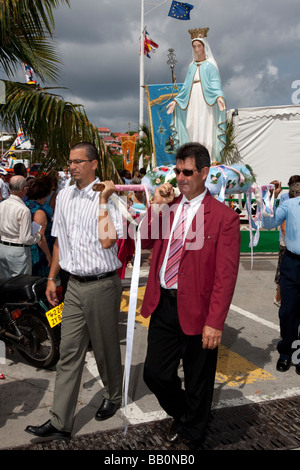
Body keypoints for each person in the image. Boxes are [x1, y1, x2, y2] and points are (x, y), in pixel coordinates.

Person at [139, 142, 240, 449]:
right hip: (163, 305)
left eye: (187, 171)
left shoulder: (224, 217)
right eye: (177, 171)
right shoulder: (168, 208)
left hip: (199, 311)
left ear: (204, 173)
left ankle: (193, 436)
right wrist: (155, 206)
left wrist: (216, 321)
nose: (180, 177)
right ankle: (187, 415)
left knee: (198, 381)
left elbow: (226, 275)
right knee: (155, 373)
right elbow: (145, 242)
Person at [25, 141, 124, 439]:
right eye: (70, 161)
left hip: (103, 284)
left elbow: (108, 242)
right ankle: (60, 420)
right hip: (74, 286)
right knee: (68, 352)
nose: (72, 166)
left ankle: (114, 395)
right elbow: (59, 241)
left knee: (106, 348)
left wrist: (104, 201)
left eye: (79, 161)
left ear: (94, 164)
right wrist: (53, 278)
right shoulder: (63, 196)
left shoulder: (111, 198)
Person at [166, 28, 226, 163]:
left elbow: (216, 83)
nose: (196, 49)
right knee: (190, 125)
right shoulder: (191, 66)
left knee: (206, 124)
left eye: (199, 46)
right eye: (194, 46)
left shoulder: (210, 65)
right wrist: (176, 101)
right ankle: (193, 157)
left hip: (207, 100)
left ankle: (207, 158)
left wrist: (219, 97)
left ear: (204, 47)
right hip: (193, 98)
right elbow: (186, 86)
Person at [262, 181, 300, 375]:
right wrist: (271, 198)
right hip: (292, 263)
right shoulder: (291, 204)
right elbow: (267, 223)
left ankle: (299, 355)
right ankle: (286, 353)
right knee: (288, 311)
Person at [0, 175, 41, 277]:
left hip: (2, 247)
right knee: (20, 284)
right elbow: (25, 238)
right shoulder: (23, 210)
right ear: (24, 189)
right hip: (17, 251)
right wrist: (38, 237)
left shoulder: (2, 204)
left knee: (5, 284)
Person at [273, 175, 300, 306]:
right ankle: (279, 297)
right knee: (282, 275)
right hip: (287, 243)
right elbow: (282, 225)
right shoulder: (286, 199)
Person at [25, 175, 55, 276]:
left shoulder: (26, 204)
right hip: (39, 253)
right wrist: (48, 256)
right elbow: (40, 237)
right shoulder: (39, 212)